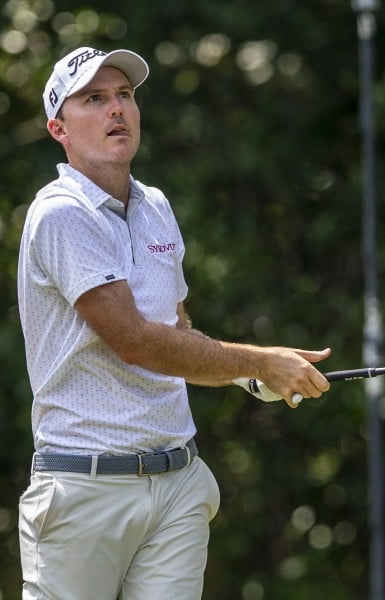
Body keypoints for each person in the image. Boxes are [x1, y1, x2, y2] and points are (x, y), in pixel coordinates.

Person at [17, 46, 331, 599]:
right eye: (95, 99)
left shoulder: (156, 205)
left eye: (125, 95)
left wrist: (247, 375)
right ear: (58, 128)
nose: (117, 109)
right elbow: (134, 342)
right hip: (84, 488)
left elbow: (175, 330)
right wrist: (259, 360)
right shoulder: (61, 212)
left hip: (178, 482)